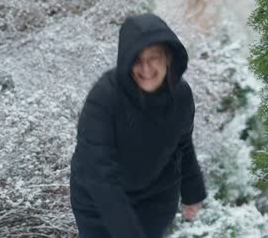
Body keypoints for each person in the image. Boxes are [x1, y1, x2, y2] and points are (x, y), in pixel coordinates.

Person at [69, 13, 207, 238]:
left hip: (155, 199)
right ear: (126, 61)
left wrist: (192, 191)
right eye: (137, 59)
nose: (146, 68)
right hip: (98, 204)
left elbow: (182, 144)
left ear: (168, 58)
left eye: (154, 57)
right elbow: (99, 174)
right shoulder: (104, 98)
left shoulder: (180, 95)